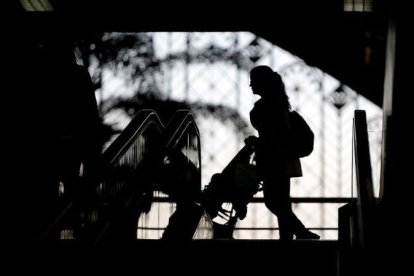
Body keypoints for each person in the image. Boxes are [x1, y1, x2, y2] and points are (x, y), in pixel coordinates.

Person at [246, 65, 319, 240]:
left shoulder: (268, 107)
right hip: (283, 158)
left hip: (275, 159)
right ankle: (288, 237)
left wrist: (257, 142)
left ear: (262, 83)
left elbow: (275, 137)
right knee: (281, 202)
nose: (250, 85)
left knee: (273, 202)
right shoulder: (278, 104)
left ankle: (300, 232)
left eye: (253, 81)